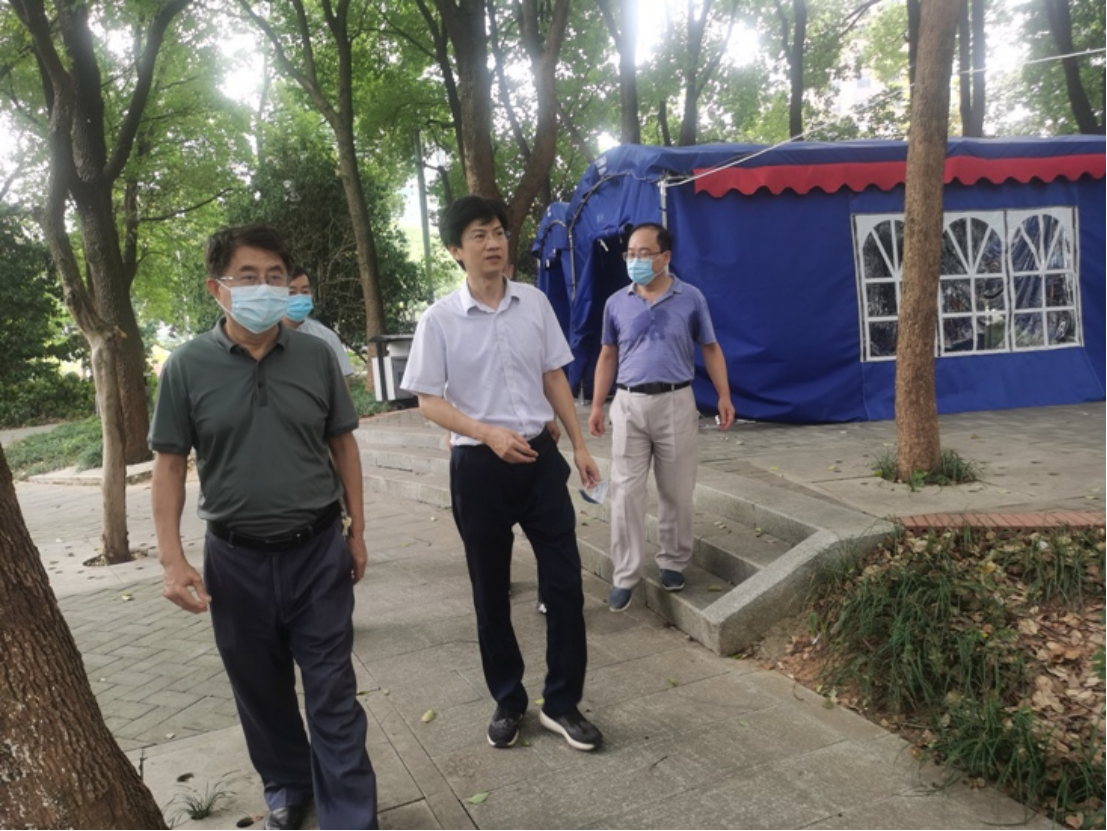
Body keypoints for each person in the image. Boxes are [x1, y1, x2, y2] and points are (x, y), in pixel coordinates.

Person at [149, 224, 377, 831]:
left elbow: (343, 445)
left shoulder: (315, 357)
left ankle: (351, 817)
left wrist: (356, 531)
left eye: (275, 276)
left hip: (316, 550)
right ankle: (287, 783)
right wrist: (172, 560)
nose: (264, 287)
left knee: (332, 690)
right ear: (216, 288)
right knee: (259, 688)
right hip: (234, 560)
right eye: (248, 276)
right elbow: (169, 466)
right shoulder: (187, 367)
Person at [400, 196, 604, 752]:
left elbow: (553, 376)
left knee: (565, 586)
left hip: (539, 459)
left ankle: (562, 703)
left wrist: (580, 445)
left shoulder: (533, 303)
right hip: (479, 468)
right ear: (455, 250)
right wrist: (485, 432)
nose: (492, 243)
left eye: (497, 232)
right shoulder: (439, 320)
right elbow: (427, 401)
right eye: (478, 235)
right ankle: (509, 699)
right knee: (489, 591)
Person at [588, 222, 735, 613]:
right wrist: (598, 404)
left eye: (644, 253)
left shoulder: (691, 298)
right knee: (625, 492)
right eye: (630, 254)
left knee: (677, 490)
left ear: (665, 257)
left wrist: (724, 395)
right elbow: (607, 354)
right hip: (628, 403)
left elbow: (711, 348)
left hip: (675, 401)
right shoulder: (616, 302)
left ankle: (673, 562)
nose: (635, 260)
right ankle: (625, 575)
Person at [283, 265, 356, 384]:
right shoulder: (264, 337)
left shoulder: (326, 337)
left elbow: (342, 386)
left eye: (305, 292)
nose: (299, 297)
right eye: (291, 292)